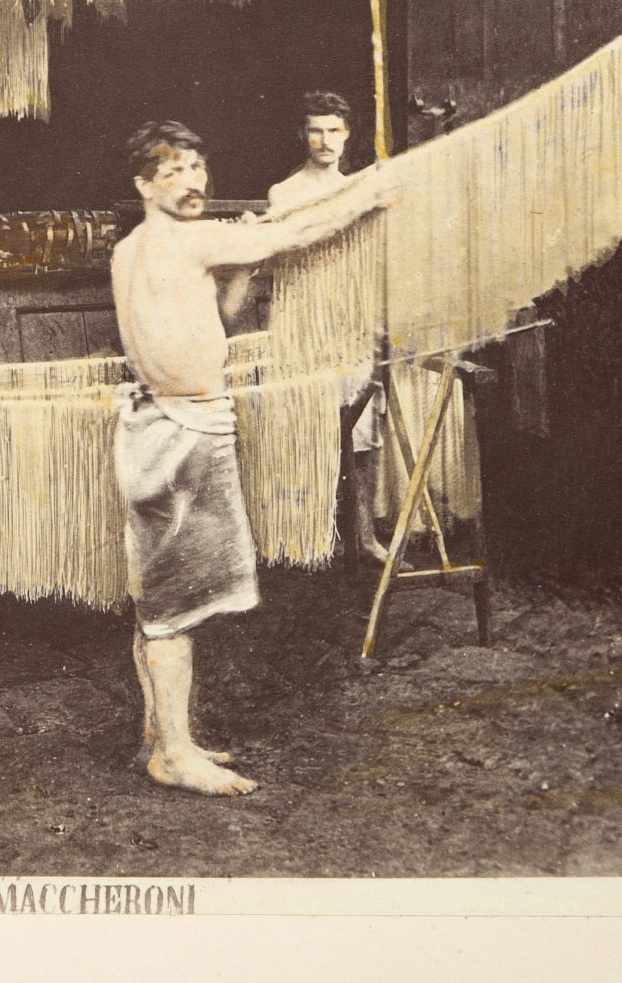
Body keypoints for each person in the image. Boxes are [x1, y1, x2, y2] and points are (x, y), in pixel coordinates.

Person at [112, 120, 394, 794]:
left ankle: (159, 737)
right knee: (172, 604)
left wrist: (239, 266)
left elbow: (221, 318)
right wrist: (367, 195)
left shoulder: (136, 249)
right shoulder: (184, 238)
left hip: (170, 426)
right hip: (178, 432)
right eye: (174, 171)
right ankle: (176, 755)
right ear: (144, 185)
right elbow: (290, 233)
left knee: (157, 597)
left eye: (198, 169)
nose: (193, 183)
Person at [266, 91, 391, 561]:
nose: (324, 140)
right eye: (315, 130)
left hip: (350, 315)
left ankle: (364, 536)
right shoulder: (285, 192)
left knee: (362, 432)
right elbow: (291, 248)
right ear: (303, 134)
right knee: (307, 427)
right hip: (304, 316)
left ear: (347, 134)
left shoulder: (362, 185)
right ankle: (309, 535)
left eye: (334, 130)